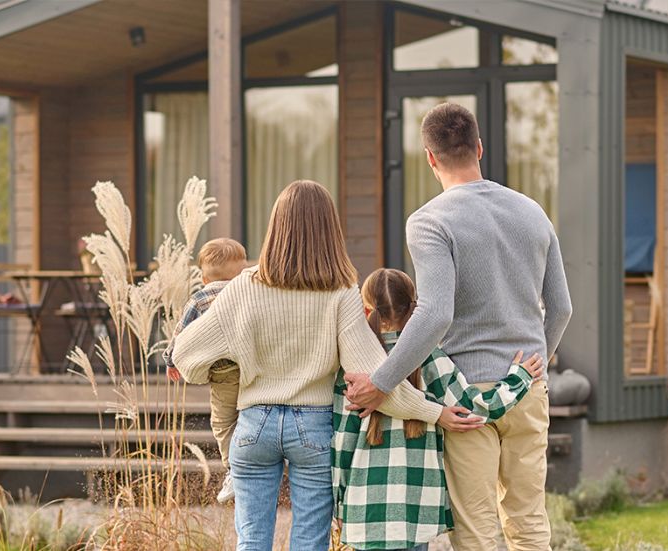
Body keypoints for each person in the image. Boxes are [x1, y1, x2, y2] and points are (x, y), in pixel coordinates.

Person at [171, 181, 481, 551]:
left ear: (275, 227)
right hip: (312, 430)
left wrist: (234, 364)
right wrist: (436, 412)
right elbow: (377, 383)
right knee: (309, 543)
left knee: (251, 541)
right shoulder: (341, 293)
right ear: (329, 230)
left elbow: (185, 356)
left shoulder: (242, 287)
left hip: (254, 426)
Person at [344, 103, 573, 551]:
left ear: (430, 158)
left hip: (466, 395)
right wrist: (535, 365)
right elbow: (561, 308)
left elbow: (434, 314)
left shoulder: (430, 221)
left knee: (477, 528)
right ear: (480, 148)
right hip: (527, 386)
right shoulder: (533, 213)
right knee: (529, 519)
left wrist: (381, 382)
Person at [333, 268, 543, 551]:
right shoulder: (429, 356)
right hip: (417, 509)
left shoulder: (352, 364)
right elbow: (476, 410)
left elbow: (341, 443)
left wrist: (339, 504)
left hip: (364, 509)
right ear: (415, 308)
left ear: (366, 308)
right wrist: (520, 378)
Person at [164, 237, 248, 503]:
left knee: (223, 422)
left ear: (203, 278)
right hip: (253, 368)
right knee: (249, 416)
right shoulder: (249, 293)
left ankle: (234, 470)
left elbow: (180, 334)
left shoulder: (199, 299)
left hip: (223, 374)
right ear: (242, 271)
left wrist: (170, 360)